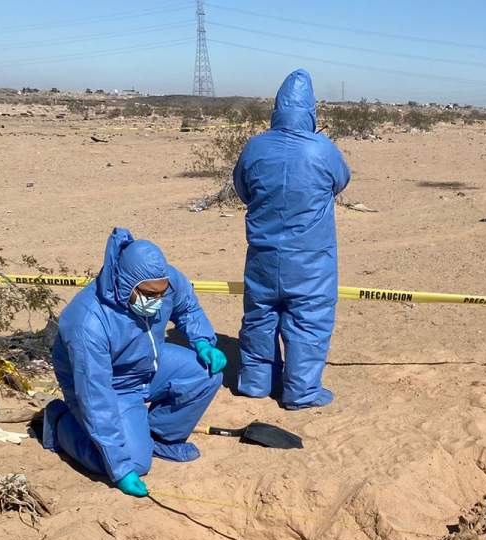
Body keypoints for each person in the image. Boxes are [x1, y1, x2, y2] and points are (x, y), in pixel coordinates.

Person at [41, 228, 227, 497]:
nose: (157, 301)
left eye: (162, 293)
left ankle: (162, 437)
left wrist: (203, 342)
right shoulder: (89, 322)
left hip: (148, 363)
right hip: (111, 384)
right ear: (126, 284)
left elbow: (187, 307)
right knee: (135, 464)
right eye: (150, 295)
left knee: (205, 373)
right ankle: (60, 424)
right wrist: (119, 469)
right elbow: (96, 397)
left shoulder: (163, 280)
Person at [233, 68, 351, 410]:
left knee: (260, 315)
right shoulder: (323, 150)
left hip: (264, 255)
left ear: (277, 108)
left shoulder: (255, 147)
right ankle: (300, 392)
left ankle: (255, 383)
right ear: (311, 110)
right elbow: (341, 182)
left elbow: (242, 188)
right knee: (309, 321)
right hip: (311, 260)